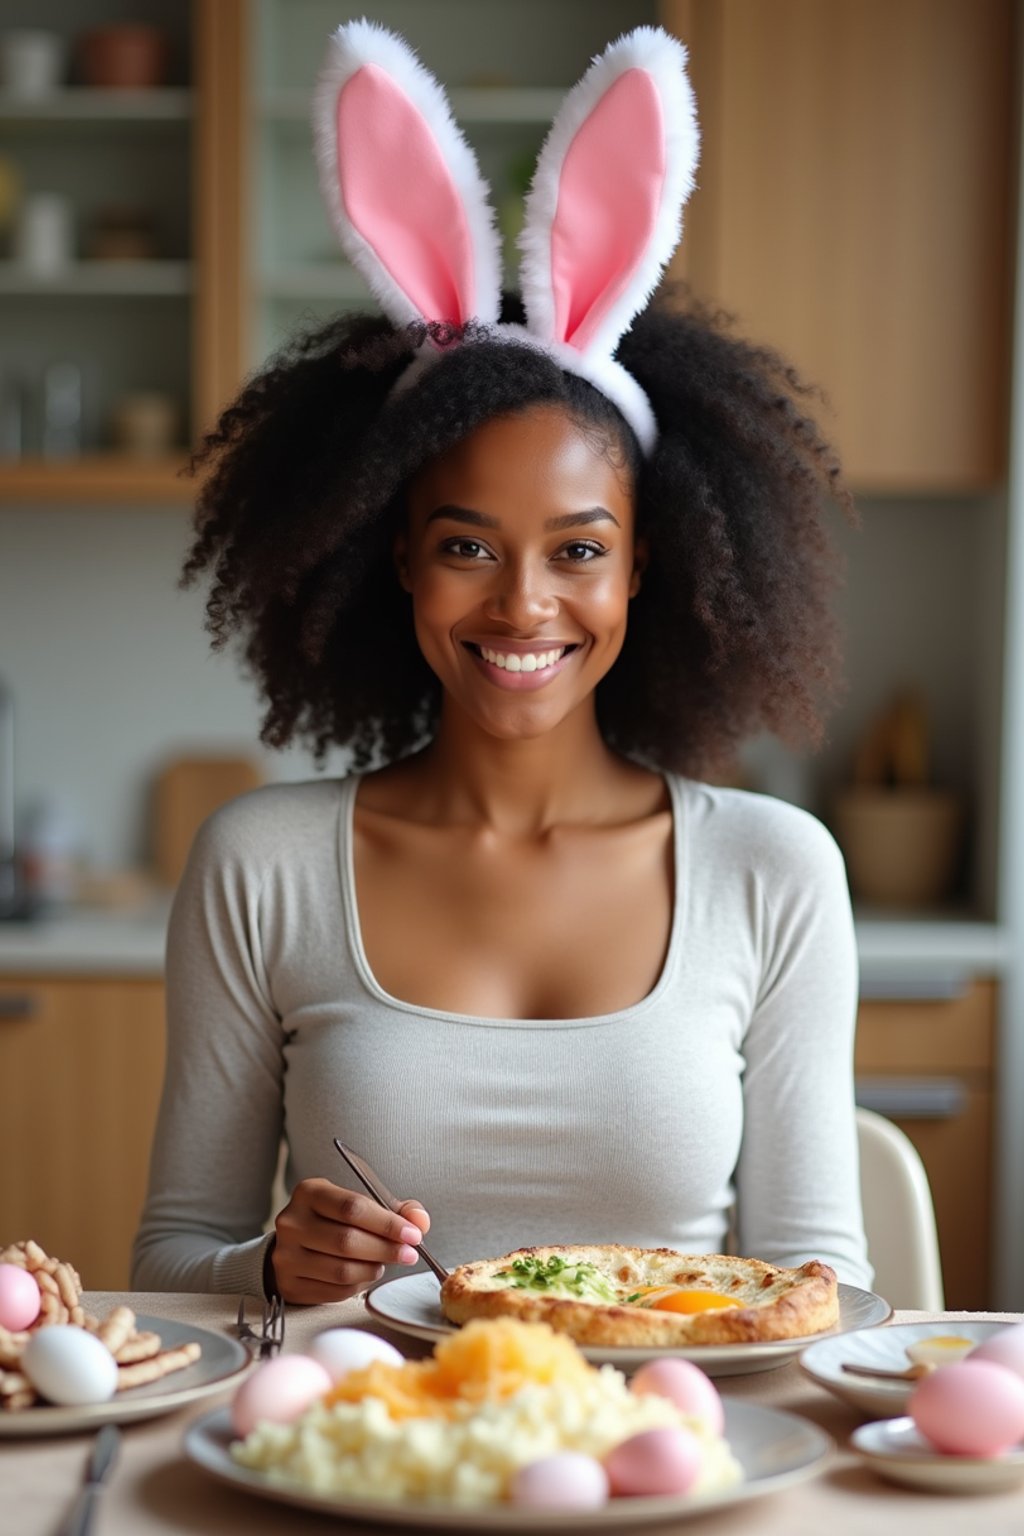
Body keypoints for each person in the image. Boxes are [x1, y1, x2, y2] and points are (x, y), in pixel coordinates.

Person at [132, 21, 872, 1303]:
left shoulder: (772, 873)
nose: (524, 604)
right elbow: (171, 1260)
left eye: (577, 549)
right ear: (397, 562)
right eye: (466, 544)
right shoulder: (261, 868)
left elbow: (821, 1283)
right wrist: (274, 1263)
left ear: (646, 566)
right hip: (366, 1472)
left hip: (666, 1477)